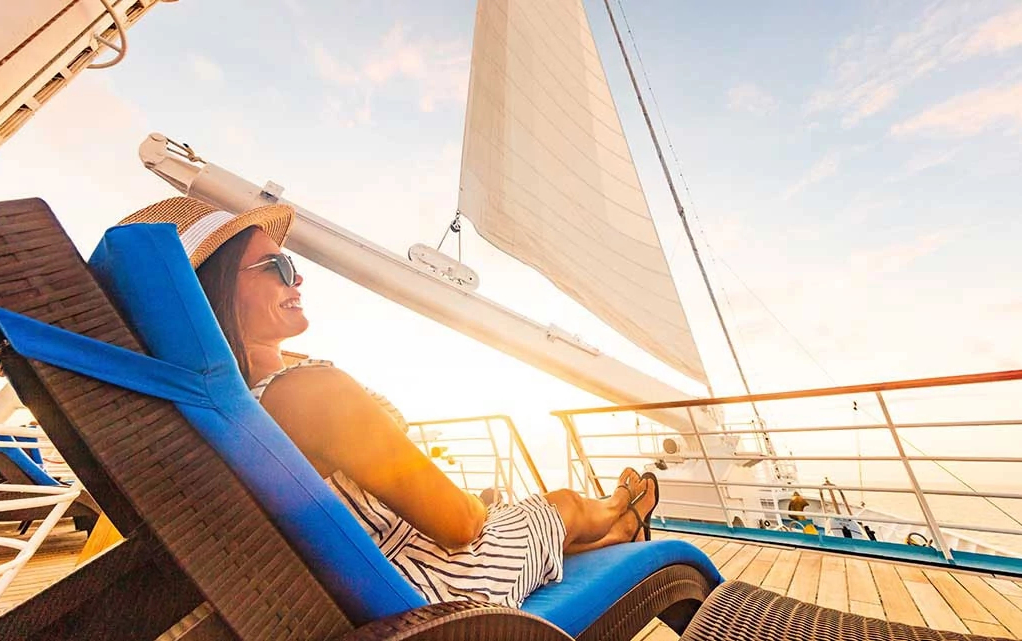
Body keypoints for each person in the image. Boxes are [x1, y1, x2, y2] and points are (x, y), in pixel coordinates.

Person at [116, 197, 661, 608]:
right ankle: (618, 513)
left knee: (534, 512)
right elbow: (462, 526)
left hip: (364, 588)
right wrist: (484, 510)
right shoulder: (309, 392)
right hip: (440, 591)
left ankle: (613, 525)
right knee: (558, 502)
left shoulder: (225, 409)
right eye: (277, 268)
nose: (298, 276)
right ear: (215, 289)